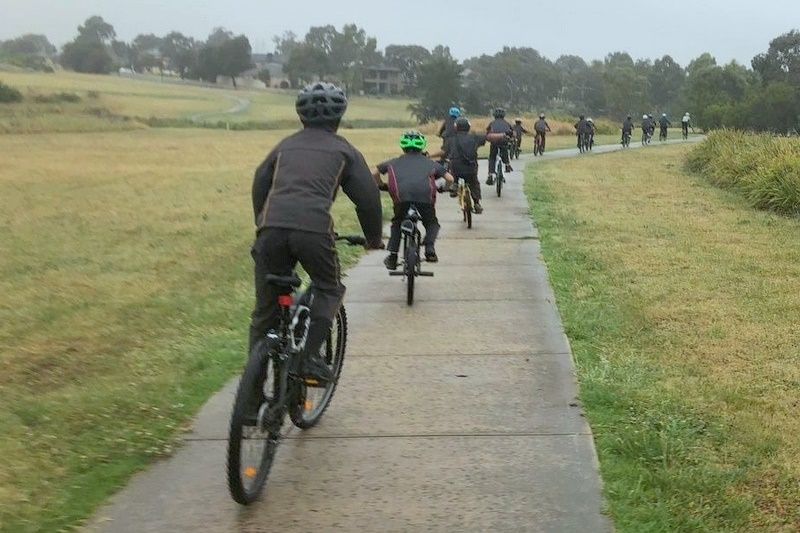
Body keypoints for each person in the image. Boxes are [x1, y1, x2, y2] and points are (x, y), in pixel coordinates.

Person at [250, 82, 383, 383]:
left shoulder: (283, 145)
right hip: (313, 231)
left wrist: (263, 221)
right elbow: (368, 200)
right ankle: (308, 358)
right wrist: (373, 240)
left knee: (264, 314)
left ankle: (251, 402)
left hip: (270, 230)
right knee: (329, 289)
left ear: (301, 116)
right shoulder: (345, 150)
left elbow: (260, 183)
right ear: (339, 116)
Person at [372, 131, 453, 270]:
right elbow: (450, 179)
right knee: (432, 223)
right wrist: (444, 189)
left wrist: (381, 185)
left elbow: (374, 173)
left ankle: (392, 256)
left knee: (397, 223)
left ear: (402, 147)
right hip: (425, 198)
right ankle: (429, 248)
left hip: (401, 197)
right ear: (422, 147)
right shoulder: (430, 163)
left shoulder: (393, 162)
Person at [429, 116, 510, 214]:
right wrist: (503, 135)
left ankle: (454, 184)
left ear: (456, 127)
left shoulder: (451, 140)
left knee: (452, 167)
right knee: (474, 182)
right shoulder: (474, 137)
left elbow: (443, 152)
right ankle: (477, 203)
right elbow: (489, 137)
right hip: (471, 168)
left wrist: (430, 155)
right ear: (468, 127)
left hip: (456, 168)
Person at [485, 108, 514, 186]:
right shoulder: (507, 123)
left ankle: (490, 174)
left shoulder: (491, 123)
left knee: (492, 157)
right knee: (504, 151)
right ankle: (507, 165)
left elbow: (487, 133)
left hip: (494, 142)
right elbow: (511, 133)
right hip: (504, 141)